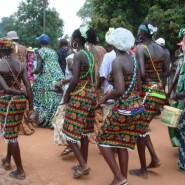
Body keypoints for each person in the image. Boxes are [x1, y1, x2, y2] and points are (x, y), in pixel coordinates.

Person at [97, 28, 144, 185]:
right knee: (121, 142)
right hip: (137, 106)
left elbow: (119, 90)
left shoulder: (117, 62)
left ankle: (119, 177)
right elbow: (138, 85)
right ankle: (123, 180)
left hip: (124, 108)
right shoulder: (134, 59)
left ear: (114, 45)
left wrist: (103, 99)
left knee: (103, 140)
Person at [129, 21, 169, 178]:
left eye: (139, 30)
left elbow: (142, 74)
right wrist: (157, 80)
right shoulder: (163, 51)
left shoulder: (141, 49)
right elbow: (167, 71)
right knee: (143, 127)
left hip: (146, 94)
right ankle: (154, 159)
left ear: (143, 33)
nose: (137, 32)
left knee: (139, 130)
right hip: (159, 93)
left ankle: (143, 170)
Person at [62, 25, 96, 178]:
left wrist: (67, 94)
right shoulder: (89, 54)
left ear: (76, 39)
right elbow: (88, 77)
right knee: (84, 132)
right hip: (90, 94)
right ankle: (84, 163)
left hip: (80, 95)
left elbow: (75, 79)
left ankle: (83, 164)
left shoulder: (78, 55)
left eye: (72, 39)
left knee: (69, 132)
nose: (72, 41)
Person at [0, 37, 34, 180]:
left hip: (7, 103)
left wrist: (20, 92)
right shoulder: (21, 65)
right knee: (12, 131)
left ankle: (20, 171)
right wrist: (31, 107)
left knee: (11, 135)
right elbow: (28, 87)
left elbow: (6, 89)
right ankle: (8, 160)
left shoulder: (1, 65)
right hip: (20, 102)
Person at [31, 34, 65, 128]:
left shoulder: (40, 51)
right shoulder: (53, 52)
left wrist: (31, 72)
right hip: (58, 76)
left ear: (40, 42)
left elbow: (38, 69)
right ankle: (53, 120)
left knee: (35, 92)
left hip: (47, 77)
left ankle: (42, 118)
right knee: (55, 97)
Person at [52, 53, 74, 156]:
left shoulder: (70, 58)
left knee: (59, 119)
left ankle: (70, 144)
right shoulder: (88, 56)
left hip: (70, 92)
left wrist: (62, 82)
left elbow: (75, 77)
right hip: (81, 92)